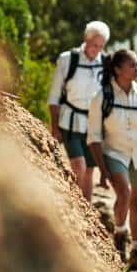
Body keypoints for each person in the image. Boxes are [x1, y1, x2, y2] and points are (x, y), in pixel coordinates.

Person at [87, 49, 137, 270]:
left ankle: (136, 250)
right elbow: (93, 137)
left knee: (136, 202)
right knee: (124, 193)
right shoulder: (103, 97)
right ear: (117, 69)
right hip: (114, 154)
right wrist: (102, 170)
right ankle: (120, 236)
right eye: (133, 65)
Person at [47, 21, 110, 201]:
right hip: (70, 120)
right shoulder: (68, 59)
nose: (96, 50)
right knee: (79, 166)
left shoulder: (106, 64)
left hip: (93, 125)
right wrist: (54, 126)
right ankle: (71, 205)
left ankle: (85, 212)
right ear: (85, 39)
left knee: (90, 171)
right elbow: (54, 95)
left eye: (100, 46)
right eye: (94, 45)